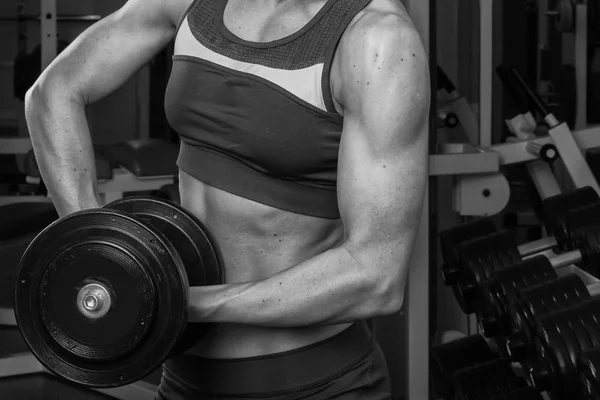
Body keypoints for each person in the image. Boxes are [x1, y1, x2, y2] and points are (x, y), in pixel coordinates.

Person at [24, 0, 430, 398]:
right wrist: (98, 249)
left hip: (315, 382)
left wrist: (184, 302)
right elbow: (52, 92)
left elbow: (378, 276)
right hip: (184, 377)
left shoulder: (376, 38)